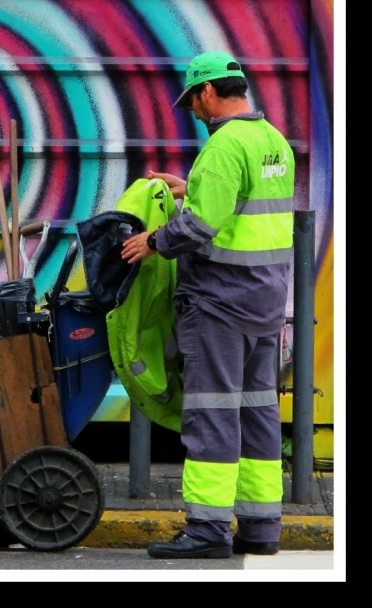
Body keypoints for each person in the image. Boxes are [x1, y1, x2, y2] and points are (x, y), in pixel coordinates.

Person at [120, 51, 295, 559]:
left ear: (208, 92)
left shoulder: (223, 145)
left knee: (213, 411)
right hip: (265, 298)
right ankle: (262, 528)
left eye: (193, 101)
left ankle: (207, 530)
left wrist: (153, 241)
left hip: (220, 301)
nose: (195, 111)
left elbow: (201, 226)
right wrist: (189, 188)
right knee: (257, 410)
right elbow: (239, 208)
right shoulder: (272, 141)